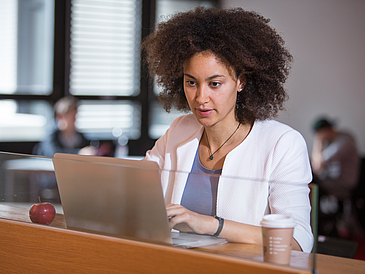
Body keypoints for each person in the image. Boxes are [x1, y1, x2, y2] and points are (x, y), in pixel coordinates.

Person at [142, 7, 313, 252]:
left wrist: (211, 225)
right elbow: (135, 188)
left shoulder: (282, 143)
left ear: (240, 81)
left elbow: (298, 240)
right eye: (191, 82)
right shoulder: (180, 129)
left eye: (215, 84)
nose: (201, 97)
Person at [311, 117, 360, 237]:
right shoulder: (334, 140)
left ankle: (315, 224)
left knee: (311, 185)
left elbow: (317, 165)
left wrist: (318, 142)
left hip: (343, 183)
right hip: (330, 180)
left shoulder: (344, 142)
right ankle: (316, 223)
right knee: (312, 182)